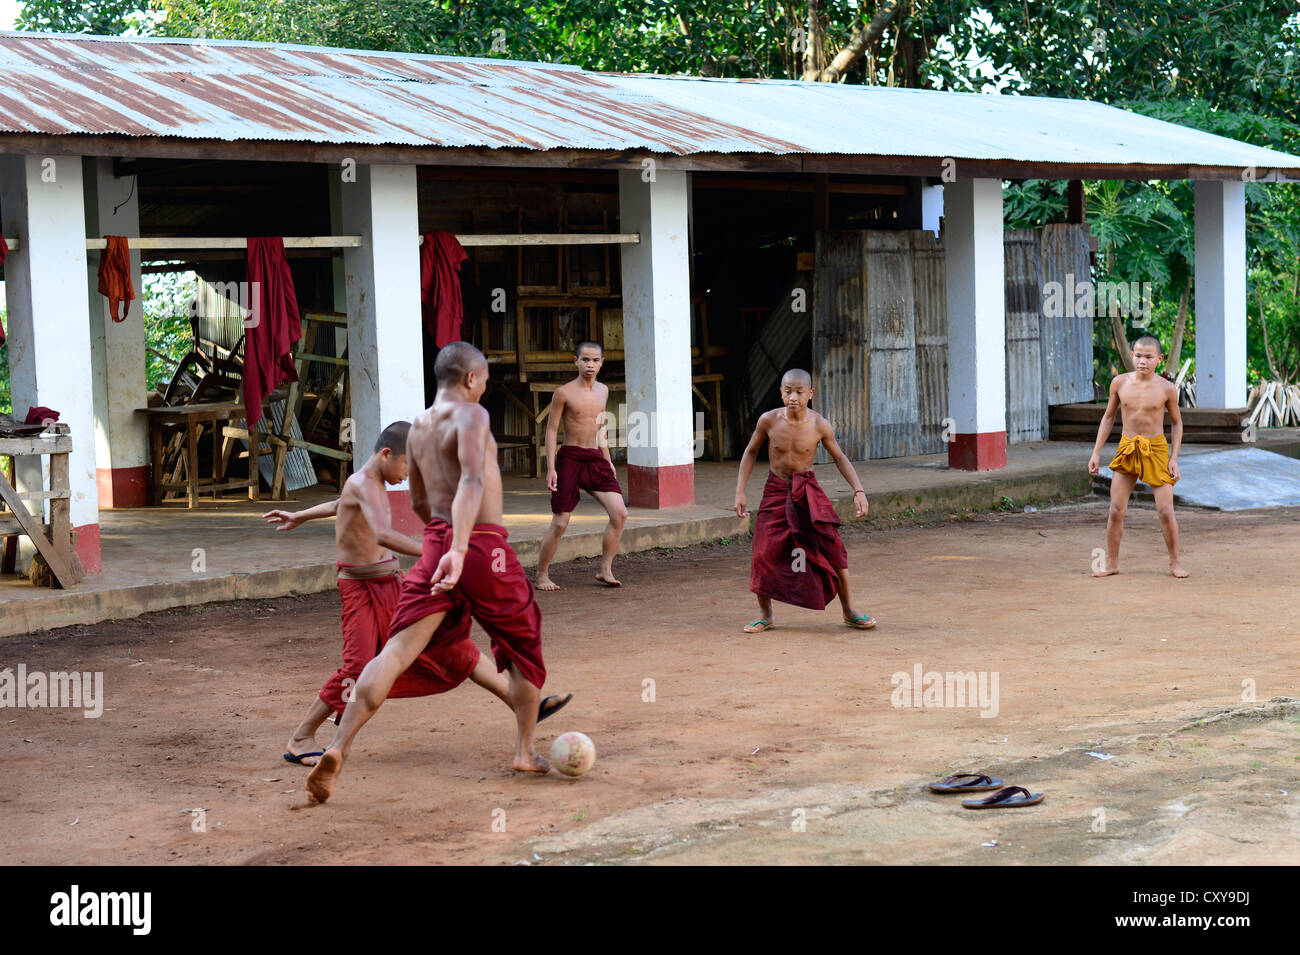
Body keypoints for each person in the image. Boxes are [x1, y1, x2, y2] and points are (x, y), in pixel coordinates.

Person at [307, 342, 567, 803]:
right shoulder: (471, 416)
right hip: (481, 546)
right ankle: (525, 751)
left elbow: (423, 501)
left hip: (435, 543)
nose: (484, 389)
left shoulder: (420, 427)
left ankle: (338, 746)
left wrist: (442, 543)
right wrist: (463, 547)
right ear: (470, 379)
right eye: (484, 381)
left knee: (395, 650)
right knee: (524, 644)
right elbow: (472, 479)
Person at [264, 422, 570, 768]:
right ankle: (302, 736)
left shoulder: (368, 484)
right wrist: (433, 553)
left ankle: (521, 702)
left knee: (450, 645)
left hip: (392, 583)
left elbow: (341, 503)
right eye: (407, 466)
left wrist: (300, 515)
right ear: (385, 454)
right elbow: (382, 534)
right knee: (358, 667)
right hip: (360, 589)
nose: (408, 475)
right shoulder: (363, 482)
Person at [733, 368, 875, 633]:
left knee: (834, 549)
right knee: (763, 552)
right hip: (775, 490)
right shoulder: (768, 420)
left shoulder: (819, 424)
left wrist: (858, 490)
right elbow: (751, 451)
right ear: (781, 392)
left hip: (807, 490)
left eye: (799, 392)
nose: (793, 397)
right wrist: (740, 490)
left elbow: (840, 458)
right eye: (788, 391)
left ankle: (849, 610)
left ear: (811, 394)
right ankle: (765, 613)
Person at [1088, 335, 1187, 578]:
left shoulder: (1167, 389)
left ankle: (1175, 563)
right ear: (1132, 356)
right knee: (1116, 509)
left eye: (1148, 357)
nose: (1142, 361)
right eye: (1138, 356)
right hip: (1128, 448)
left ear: (1159, 360)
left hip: (1157, 449)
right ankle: (1111, 563)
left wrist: (1173, 458)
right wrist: (1096, 452)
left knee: (1165, 510)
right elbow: (1109, 418)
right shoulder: (1119, 383)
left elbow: (1176, 423)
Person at [535, 341, 627, 590]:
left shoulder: (603, 391)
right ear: (575, 360)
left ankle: (605, 569)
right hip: (571, 458)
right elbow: (552, 430)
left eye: (595, 360)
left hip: (595, 458)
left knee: (619, 513)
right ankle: (542, 574)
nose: (590, 364)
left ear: (602, 362)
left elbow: (601, 427)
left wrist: (607, 459)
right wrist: (551, 467)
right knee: (561, 521)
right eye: (585, 359)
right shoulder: (563, 392)